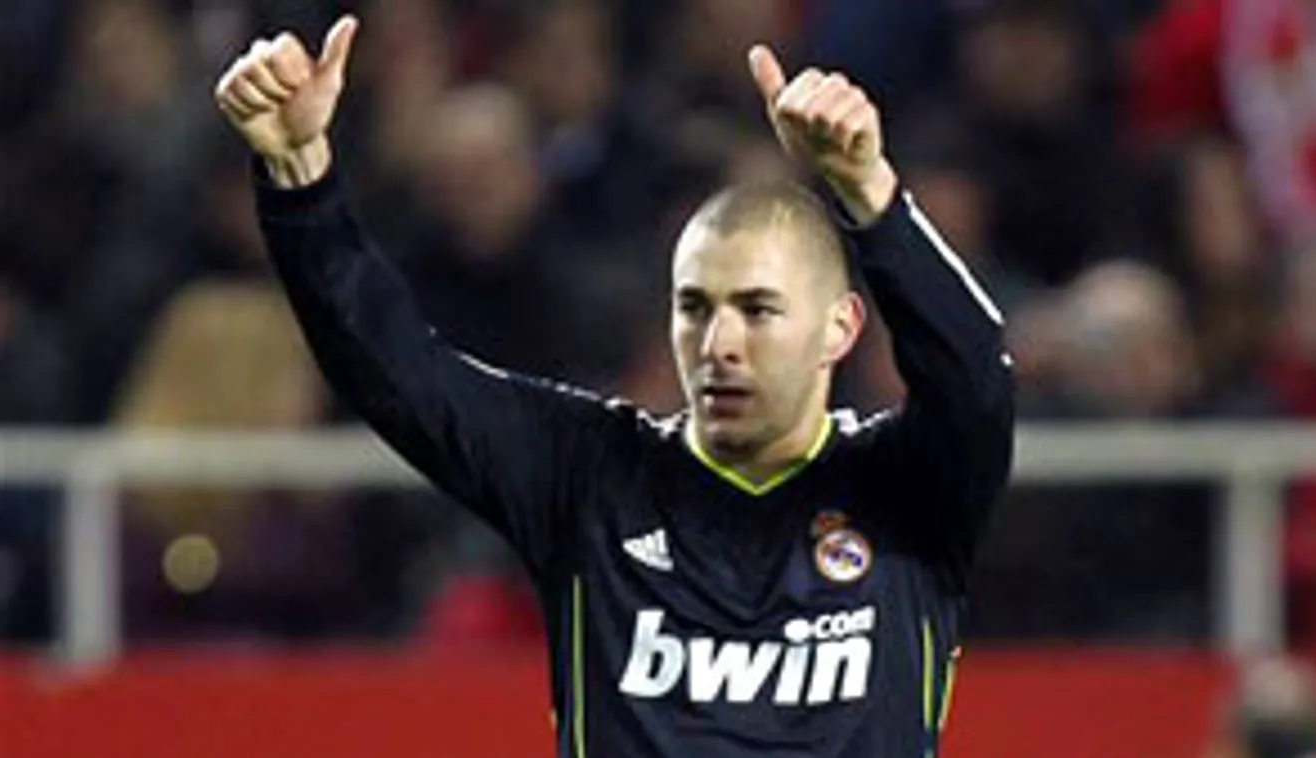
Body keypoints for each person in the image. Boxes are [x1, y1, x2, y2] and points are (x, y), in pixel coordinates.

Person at [215, 14, 1014, 758]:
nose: (718, 344)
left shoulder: (910, 486)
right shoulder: (589, 476)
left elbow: (974, 373)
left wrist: (870, 193)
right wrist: (300, 177)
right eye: (693, 308)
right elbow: (398, 372)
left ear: (839, 328)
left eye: (757, 310)